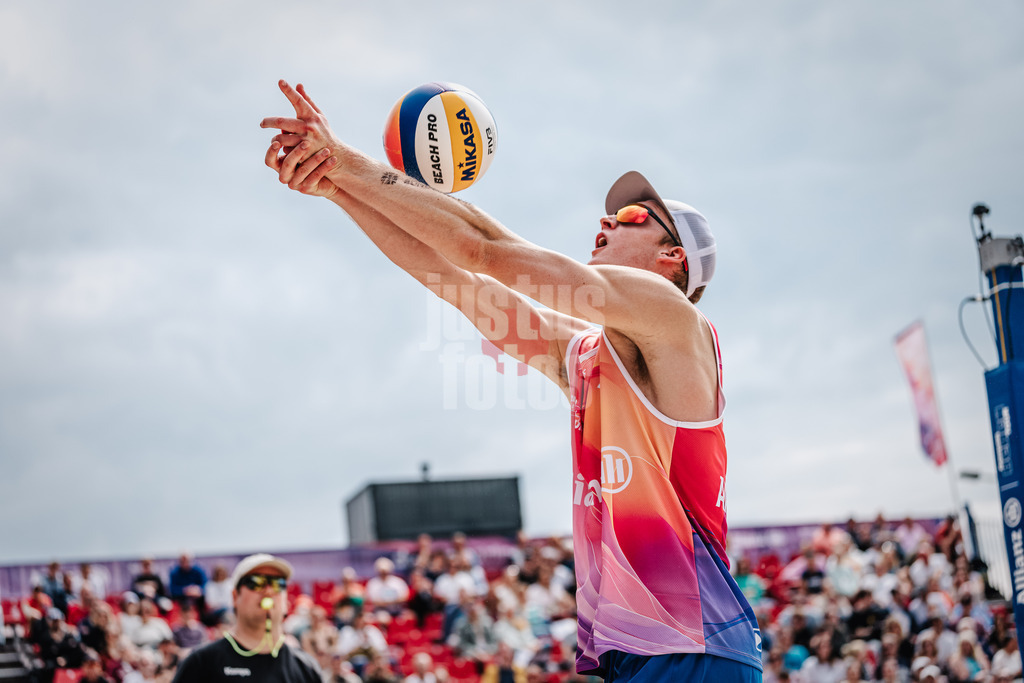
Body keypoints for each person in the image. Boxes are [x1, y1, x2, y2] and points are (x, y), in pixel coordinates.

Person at [260, 79, 762, 682]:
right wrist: (335, 186)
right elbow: (453, 277)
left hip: (695, 644)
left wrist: (347, 161)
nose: (605, 220)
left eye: (630, 217)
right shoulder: (583, 356)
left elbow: (485, 249)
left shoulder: (675, 319)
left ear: (672, 259)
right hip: (641, 652)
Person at [171, 553, 321, 682]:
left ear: (287, 600)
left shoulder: (306, 668)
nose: (268, 591)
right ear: (235, 597)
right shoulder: (201, 663)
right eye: (255, 582)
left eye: (278, 583)